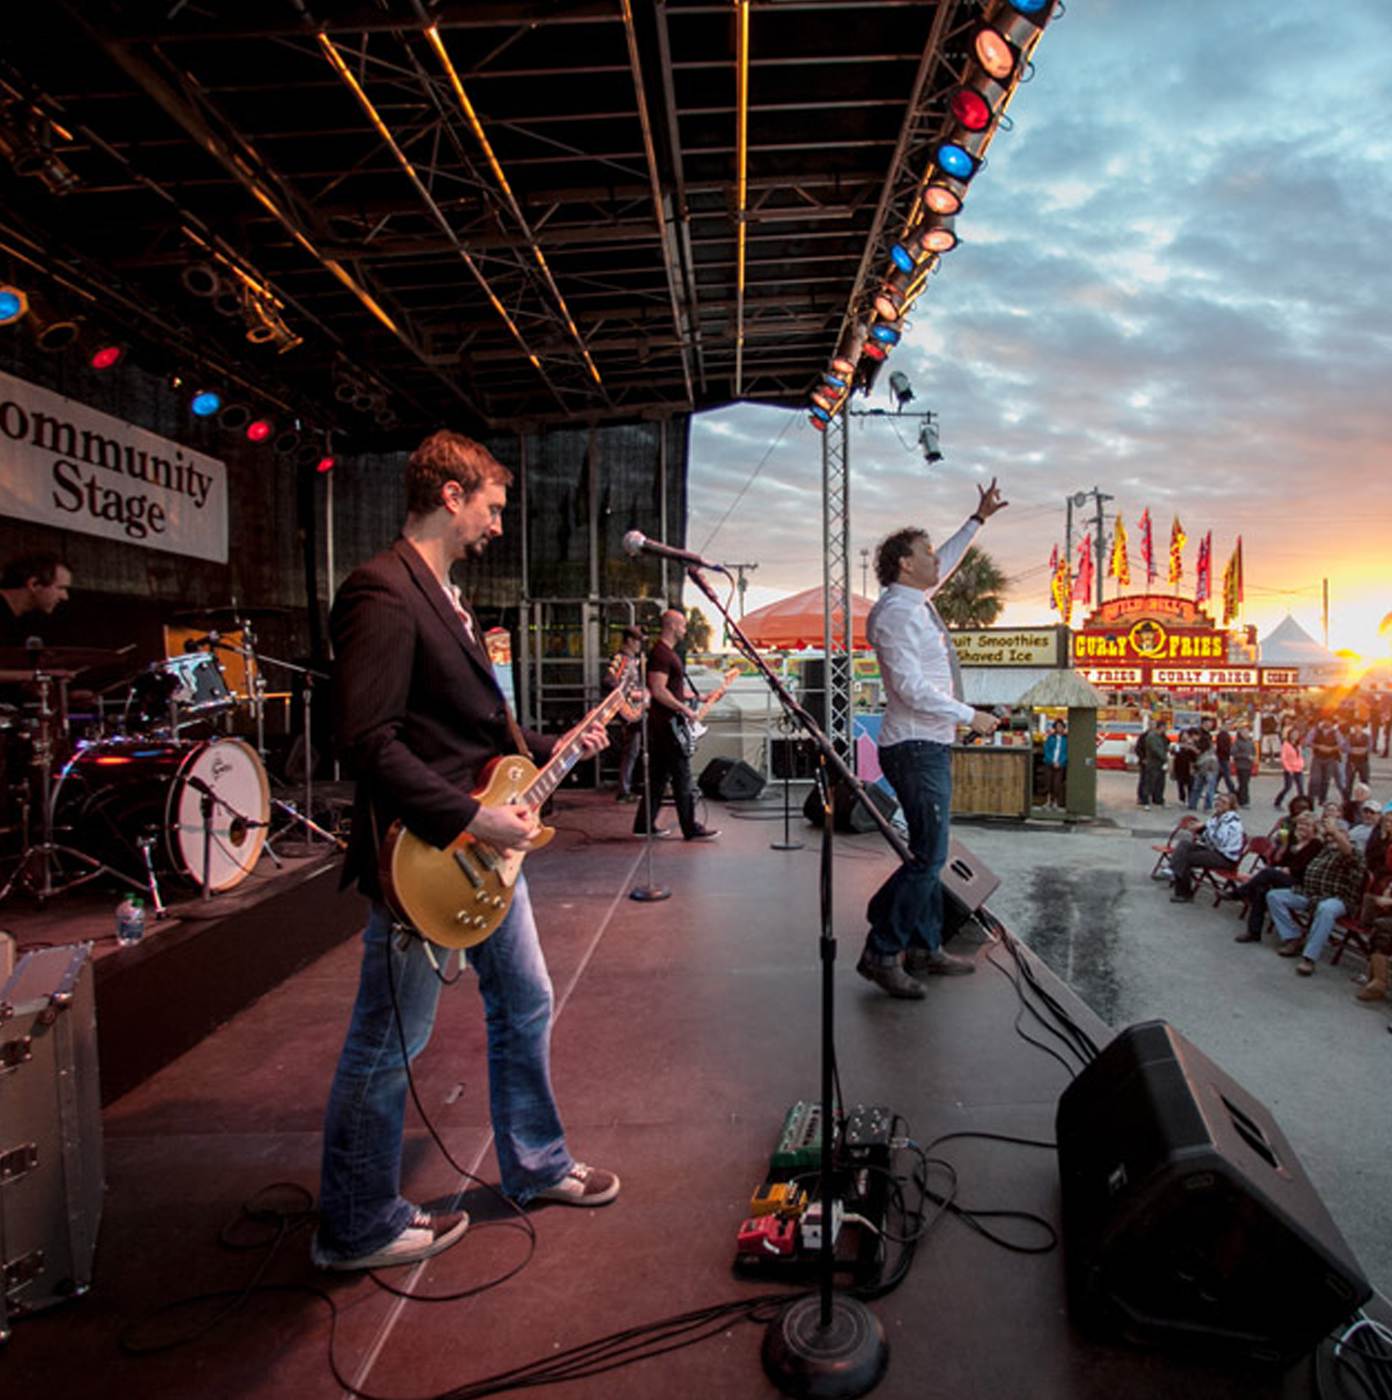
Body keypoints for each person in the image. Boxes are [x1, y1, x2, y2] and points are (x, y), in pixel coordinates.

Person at [313, 430, 619, 1273]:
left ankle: (535, 1164)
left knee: (525, 1000)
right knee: (389, 1044)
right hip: (426, 859)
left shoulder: (447, 599)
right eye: (490, 507)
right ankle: (354, 1224)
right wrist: (474, 822)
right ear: (450, 495)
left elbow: (472, 738)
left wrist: (561, 746)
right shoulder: (381, 591)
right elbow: (368, 742)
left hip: (481, 858)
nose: (496, 526)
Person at [856, 479, 1006, 999]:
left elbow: (949, 556)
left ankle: (922, 946)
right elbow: (910, 688)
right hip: (917, 746)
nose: (934, 560)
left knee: (926, 852)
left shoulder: (914, 599)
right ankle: (882, 948)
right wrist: (971, 715)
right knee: (928, 857)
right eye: (924, 553)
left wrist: (978, 519)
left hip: (926, 744)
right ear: (904, 564)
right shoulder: (897, 614)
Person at [633, 608, 719, 841]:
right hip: (667, 726)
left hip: (665, 726)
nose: (685, 629)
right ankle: (690, 827)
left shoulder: (666, 653)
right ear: (671, 626)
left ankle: (644, 824)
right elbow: (658, 690)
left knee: (659, 778)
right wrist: (684, 709)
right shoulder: (661, 654)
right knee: (682, 776)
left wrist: (697, 698)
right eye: (682, 625)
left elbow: (671, 689)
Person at [1267, 809, 1366, 977]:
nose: (1331, 836)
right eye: (1330, 833)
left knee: (1326, 909)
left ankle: (1309, 957)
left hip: (1337, 898)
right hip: (1311, 892)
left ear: (1345, 834)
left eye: (1337, 833)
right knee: (1274, 896)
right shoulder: (1324, 849)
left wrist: (1334, 831)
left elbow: (1348, 851)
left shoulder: (1353, 851)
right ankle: (1293, 937)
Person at [1233, 809, 1321, 943]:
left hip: (1301, 883)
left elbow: (1304, 868)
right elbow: (1279, 861)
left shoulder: (1316, 844)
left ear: (1314, 827)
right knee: (1261, 889)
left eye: (1307, 825)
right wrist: (1285, 847)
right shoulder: (1295, 842)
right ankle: (1253, 932)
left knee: (1268, 873)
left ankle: (1239, 892)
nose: (1302, 827)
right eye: (1300, 824)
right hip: (1286, 877)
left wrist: (1288, 869)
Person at [1167, 791, 1245, 903]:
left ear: (1230, 807)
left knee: (1187, 858)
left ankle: (1184, 893)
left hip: (1225, 857)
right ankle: (1173, 870)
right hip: (1214, 850)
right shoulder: (1217, 818)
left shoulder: (1232, 822)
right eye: (1218, 800)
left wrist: (1204, 828)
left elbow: (1219, 840)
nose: (1219, 803)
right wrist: (1198, 830)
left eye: (1224, 802)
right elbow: (1206, 840)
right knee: (1184, 845)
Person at [603, 625, 646, 802]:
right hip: (629, 710)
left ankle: (628, 786)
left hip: (633, 709)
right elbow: (609, 680)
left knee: (634, 749)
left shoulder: (631, 660)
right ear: (629, 640)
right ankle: (624, 789)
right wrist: (627, 696)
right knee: (632, 749)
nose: (639, 645)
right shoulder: (622, 659)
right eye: (637, 641)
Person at [1308, 718, 1341, 805]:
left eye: (1329, 720)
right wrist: (1319, 746)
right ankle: (1310, 799)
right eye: (1325, 720)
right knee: (1315, 779)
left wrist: (1331, 749)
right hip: (1317, 757)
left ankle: (1322, 799)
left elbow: (1342, 744)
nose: (1326, 722)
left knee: (1326, 779)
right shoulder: (1315, 730)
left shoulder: (1336, 732)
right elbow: (1308, 741)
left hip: (1330, 758)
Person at [1138, 718, 1169, 809]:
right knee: (1149, 782)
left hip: (1160, 764)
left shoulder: (1161, 737)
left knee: (1160, 782)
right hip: (1153, 763)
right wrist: (1165, 757)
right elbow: (1156, 750)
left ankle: (1158, 799)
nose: (1165, 729)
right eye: (1165, 727)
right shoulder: (1151, 737)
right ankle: (1145, 801)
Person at [1273, 727, 1306, 808]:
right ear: (1290, 735)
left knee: (1300, 787)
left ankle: (1302, 803)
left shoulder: (1298, 745)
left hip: (1298, 769)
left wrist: (1302, 765)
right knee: (1288, 787)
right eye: (1293, 734)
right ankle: (1278, 801)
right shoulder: (1286, 745)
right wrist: (1288, 769)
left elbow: (1300, 756)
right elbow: (1283, 758)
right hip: (1289, 769)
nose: (1295, 736)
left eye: (1296, 734)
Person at [1042, 718, 1068, 809]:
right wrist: (1052, 761)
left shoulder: (1066, 739)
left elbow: (1067, 753)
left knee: (1057, 783)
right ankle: (1048, 801)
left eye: (1061, 727)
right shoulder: (1050, 738)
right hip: (1049, 763)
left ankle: (1055, 802)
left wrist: (1060, 762)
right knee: (1048, 782)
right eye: (1057, 727)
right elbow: (1046, 750)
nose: (1059, 728)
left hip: (1060, 764)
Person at [1232, 726, 1256, 808]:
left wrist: (1253, 757)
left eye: (1247, 732)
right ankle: (1244, 801)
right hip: (1241, 765)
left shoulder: (1250, 742)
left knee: (1245, 783)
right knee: (1243, 783)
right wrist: (1245, 756)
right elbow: (1234, 753)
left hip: (1248, 765)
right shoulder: (1237, 742)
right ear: (1240, 733)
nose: (1246, 734)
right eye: (1244, 732)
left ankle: (1237, 797)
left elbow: (1253, 751)